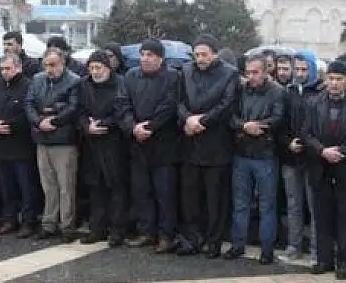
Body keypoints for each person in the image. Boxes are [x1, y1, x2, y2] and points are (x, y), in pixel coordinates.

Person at [301, 60, 346, 279]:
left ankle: (345, 261)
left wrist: (342, 151)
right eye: (331, 79)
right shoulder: (312, 102)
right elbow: (306, 133)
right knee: (322, 216)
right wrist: (322, 151)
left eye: (339, 79)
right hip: (320, 166)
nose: (334, 83)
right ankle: (323, 259)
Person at [176, 34, 238, 257]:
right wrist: (188, 119)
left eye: (204, 54)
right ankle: (193, 238)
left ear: (214, 53)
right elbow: (179, 101)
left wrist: (202, 121)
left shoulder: (229, 73)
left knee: (215, 199)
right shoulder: (186, 71)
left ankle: (213, 241)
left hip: (216, 145)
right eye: (196, 54)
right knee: (190, 197)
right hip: (191, 143)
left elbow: (227, 104)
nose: (199, 59)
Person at [118, 39, 181, 253]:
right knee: (141, 191)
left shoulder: (173, 77)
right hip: (137, 144)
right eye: (143, 54)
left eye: (150, 55)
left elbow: (170, 105)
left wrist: (150, 127)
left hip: (163, 145)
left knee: (165, 194)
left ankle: (166, 235)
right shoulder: (130, 76)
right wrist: (132, 127)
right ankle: (146, 231)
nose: (145, 58)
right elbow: (122, 104)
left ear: (160, 58)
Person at [225, 54, 285, 263]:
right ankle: (237, 244)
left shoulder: (277, 92)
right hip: (242, 152)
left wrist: (258, 126)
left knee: (267, 204)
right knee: (240, 202)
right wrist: (244, 126)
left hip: (265, 153)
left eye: (255, 72)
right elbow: (230, 115)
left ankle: (267, 249)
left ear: (265, 72)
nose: (250, 77)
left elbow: (278, 118)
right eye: (248, 72)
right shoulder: (241, 90)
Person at [24, 49, 81, 240]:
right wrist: (39, 121)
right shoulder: (37, 79)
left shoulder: (73, 81)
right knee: (48, 186)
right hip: (42, 139)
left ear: (62, 63)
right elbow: (29, 104)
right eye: (46, 65)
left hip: (63, 140)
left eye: (53, 65)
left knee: (66, 186)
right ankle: (49, 223)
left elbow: (73, 108)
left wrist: (53, 120)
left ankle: (67, 225)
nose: (49, 69)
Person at [78, 50, 128, 246]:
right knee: (95, 187)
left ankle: (117, 230)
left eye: (98, 68)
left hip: (114, 143)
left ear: (108, 68)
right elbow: (80, 110)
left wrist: (105, 124)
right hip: (91, 143)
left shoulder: (120, 84)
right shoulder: (84, 85)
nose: (95, 72)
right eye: (91, 68)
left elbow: (123, 110)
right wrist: (86, 126)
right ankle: (96, 229)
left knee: (116, 188)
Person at [0, 55, 39, 238]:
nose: (4, 72)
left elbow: (29, 112)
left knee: (26, 187)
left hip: (20, 144)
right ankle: (10, 220)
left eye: (8, 69)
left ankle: (29, 221)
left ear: (18, 67)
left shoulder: (28, 85)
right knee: (6, 187)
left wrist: (8, 125)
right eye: (2, 69)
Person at [279, 53, 321, 263]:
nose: (301, 74)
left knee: (314, 206)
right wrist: (288, 143)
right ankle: (293, 246)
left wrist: (305, 142)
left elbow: (317, 126)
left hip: (312, 157)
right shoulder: (289, 92)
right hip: (291, 157)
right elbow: (282, 122)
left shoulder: (321, 93)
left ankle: (316, 249)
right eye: (298, 69)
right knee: (293, 204)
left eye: (305, 70)